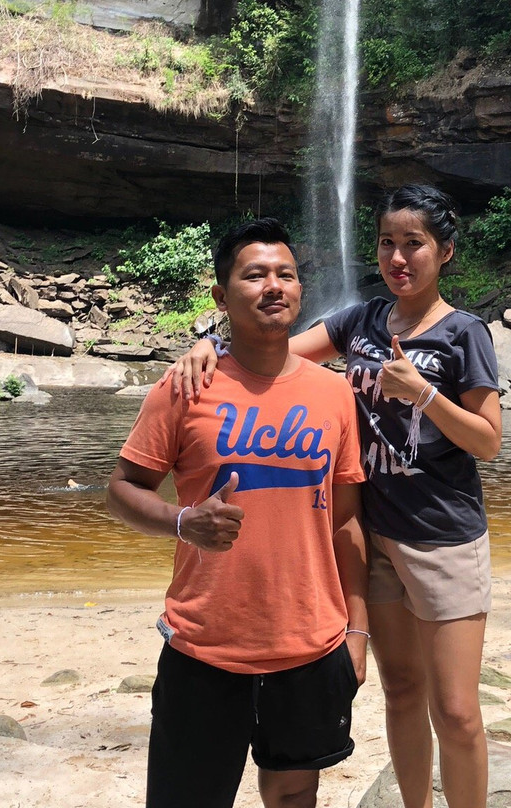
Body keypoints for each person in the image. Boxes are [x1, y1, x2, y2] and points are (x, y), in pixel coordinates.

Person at [166, 185, 502, 808]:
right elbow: (269, 350)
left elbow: (488, 441)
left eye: (415, 244)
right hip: (369, 531)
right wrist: (208, 344)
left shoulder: (464, 333)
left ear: (446, 251)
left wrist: (423, 394)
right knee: (401, 690)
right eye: (387, 244)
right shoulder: (362, 320)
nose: (398, 257)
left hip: (442, 534)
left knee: (454, 710)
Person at [106, 218, 368, 808]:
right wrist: (182, 520)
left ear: (302, 290)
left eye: (287, 274)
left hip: (313, 643)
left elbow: (346, 521)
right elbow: (120, 489)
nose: (274, 286)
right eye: (255, 275)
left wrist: (357, 629)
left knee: (295, 793)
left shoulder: (334, 394)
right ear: (221, 297)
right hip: (205, 645)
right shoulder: (183, 388)